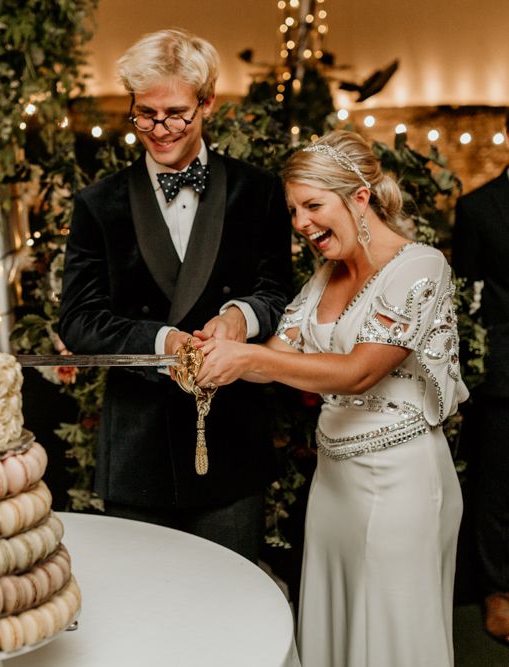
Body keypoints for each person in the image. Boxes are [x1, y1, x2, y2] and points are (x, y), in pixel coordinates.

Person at [194, 130, 468, 666]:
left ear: (360, 197)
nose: (301, 224)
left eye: (313, 205)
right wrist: (219, 350)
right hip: (334, 483)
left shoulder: (420, 267)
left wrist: (250, 359)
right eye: (295, 210)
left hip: (402, 485)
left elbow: (360, 371)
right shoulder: (326, 275)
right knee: (335, 628)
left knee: (391, 636)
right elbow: (277, 355)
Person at [58, 28, 293, 562]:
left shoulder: (257, 191)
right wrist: (162, 342)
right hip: (138, 445)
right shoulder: (98, 204)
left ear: (207, 103)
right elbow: (78, 319)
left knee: (232, 602)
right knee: (143, 607)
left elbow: (280, 290)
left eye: (176, 114)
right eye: (145, 114)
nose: (159, 129)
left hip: (231, 438)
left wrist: (241, 317)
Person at [452, 110, 509, 643]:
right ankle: (498, 591)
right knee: (498, 485)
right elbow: (465, 299)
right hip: (503, 375)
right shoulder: (476, 208)